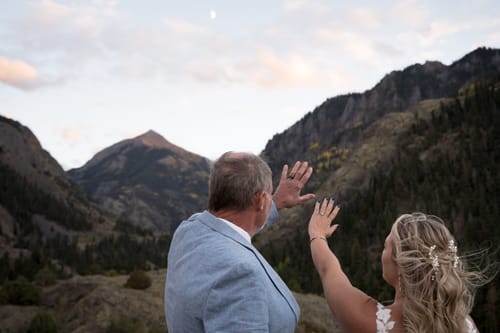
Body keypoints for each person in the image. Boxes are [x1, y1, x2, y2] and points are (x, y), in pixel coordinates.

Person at [165, 151, 315, 332]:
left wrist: (274, 202)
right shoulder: (239, 274)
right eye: (267, 195)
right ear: (260, 200)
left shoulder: (189, 228)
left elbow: (233, 224)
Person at [308, 198, 491, 333]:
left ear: (400, 264)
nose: (382, 252)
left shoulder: (369, 321)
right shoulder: (465, 325)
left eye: (386, 246)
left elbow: (328, 270)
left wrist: (317, 234)